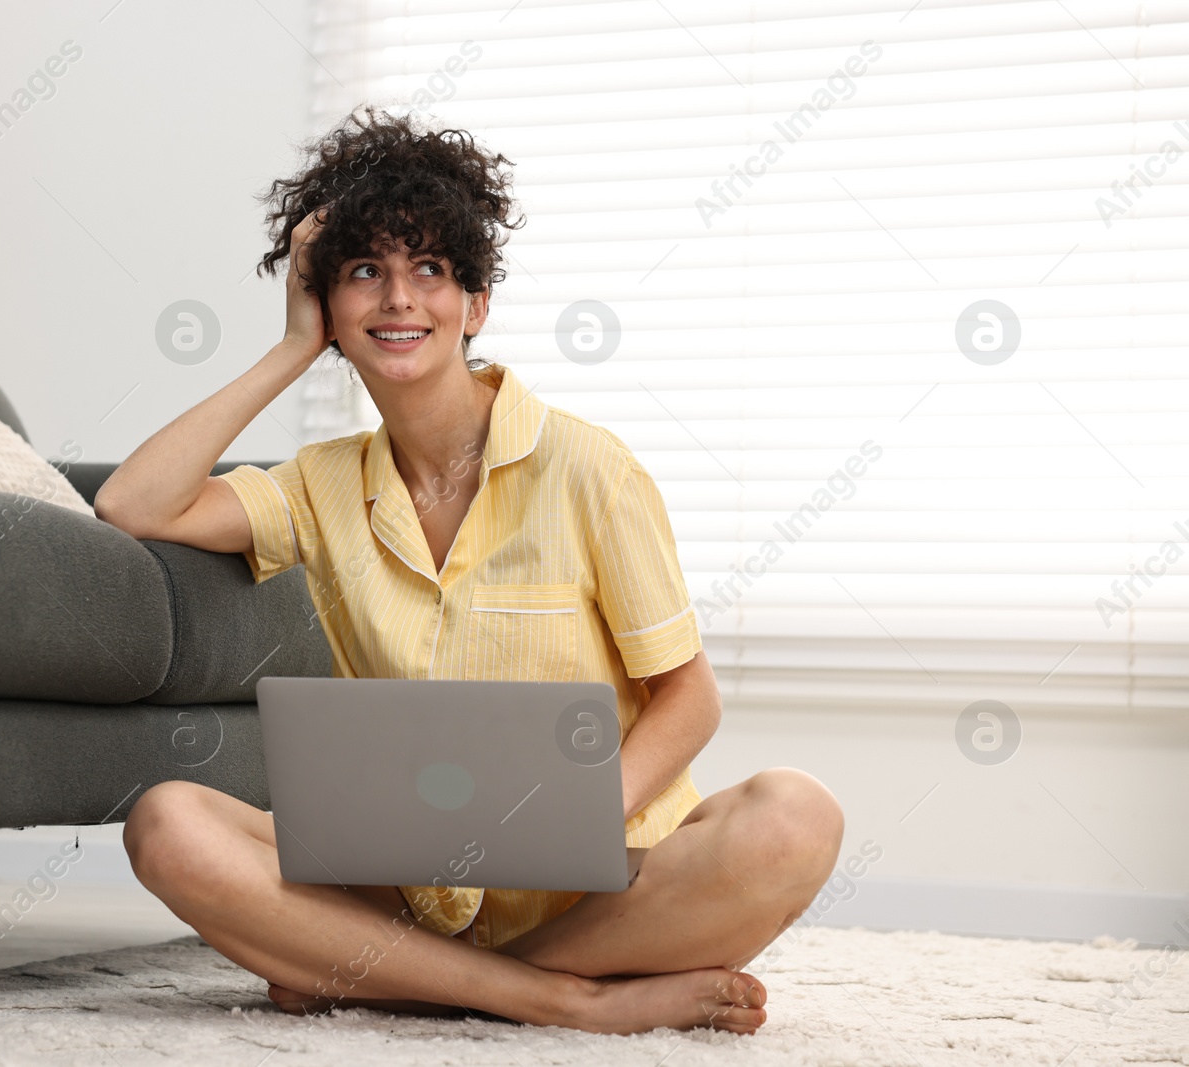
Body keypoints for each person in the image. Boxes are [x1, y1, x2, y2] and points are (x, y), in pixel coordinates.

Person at [95, 105, 843, 1036]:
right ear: (330, 305)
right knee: (166, 821)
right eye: (365, 272)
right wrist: (292, 348)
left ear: (475, 303)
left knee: (795, 817)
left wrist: (573, 820)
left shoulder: (590, 468)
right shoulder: (317, 485)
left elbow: (688, 697)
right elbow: (135, 503)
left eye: (430, 271)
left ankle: (405, 984)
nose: (399, 299)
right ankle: (552, 1001)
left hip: (598, 888)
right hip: (404, 886)